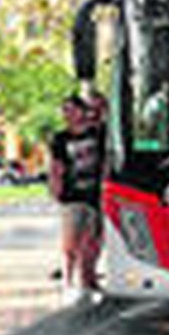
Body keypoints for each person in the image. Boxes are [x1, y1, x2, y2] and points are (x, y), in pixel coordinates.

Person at [48, 93, 106, 293]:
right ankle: (67, 279)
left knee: (91, 242)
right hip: (72, 194)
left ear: (82, 111)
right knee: (70, 240)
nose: (67, 114)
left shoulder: (97, 133)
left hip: (95, 194)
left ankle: (87, 279)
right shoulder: (60, 138)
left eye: (71, 109)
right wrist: (55, 186)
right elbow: (56, 165)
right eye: (64, 110)